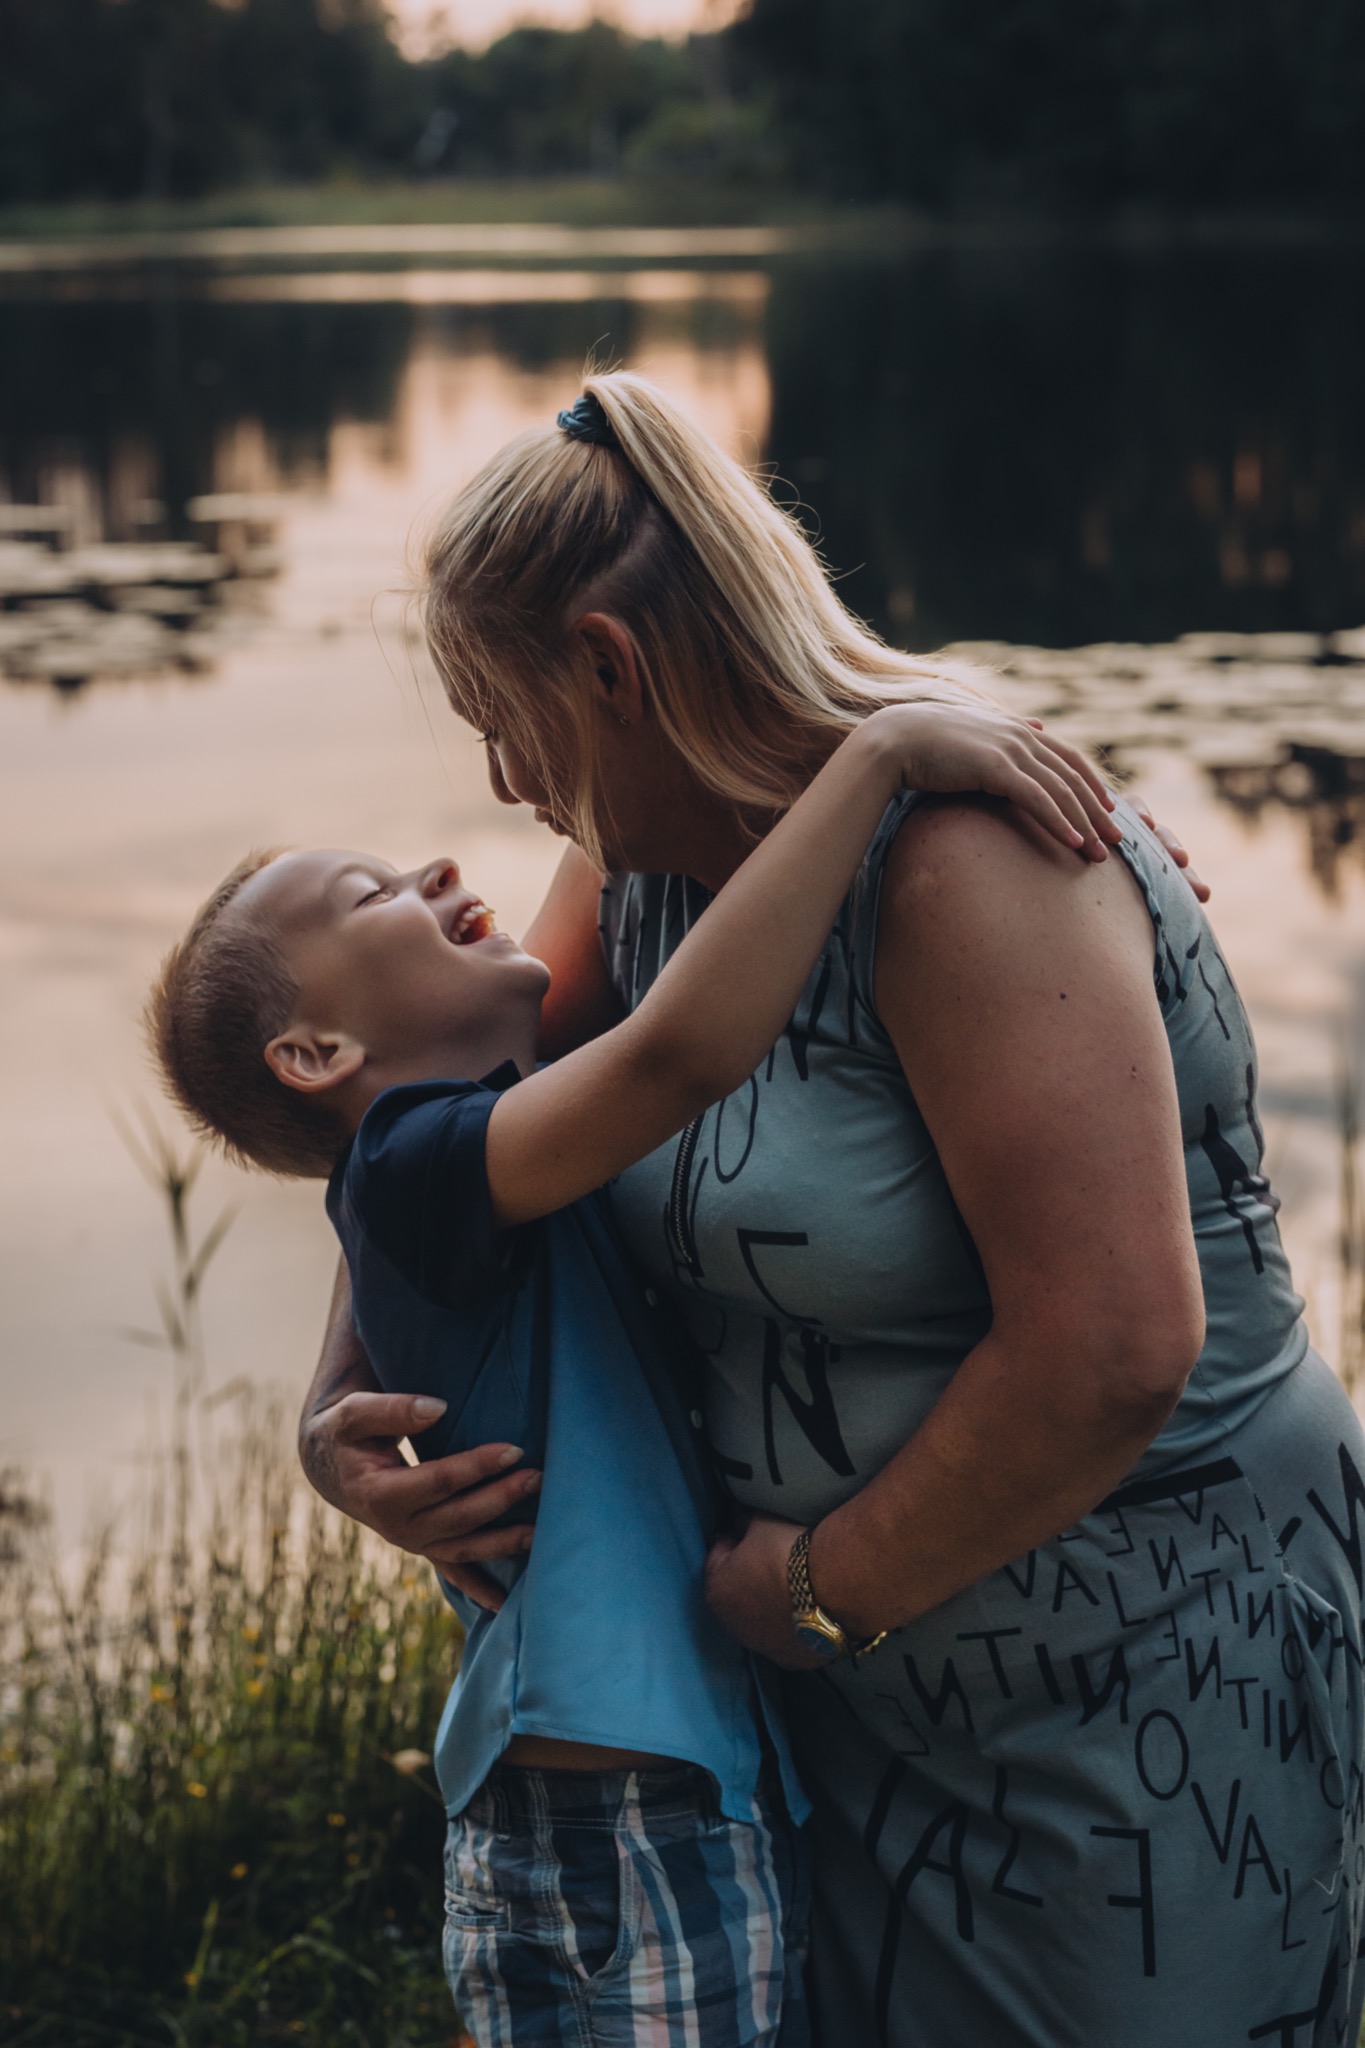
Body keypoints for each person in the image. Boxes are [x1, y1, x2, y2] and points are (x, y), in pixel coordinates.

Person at [302, 373, 1365, 2047]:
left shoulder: (966, 863)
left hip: (1131, 1696)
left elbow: (1111, 1351)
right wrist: (340, 1400)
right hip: (845, 1721)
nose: (503, 781)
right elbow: (459, 1132)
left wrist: (809, 1593)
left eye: (501, 717)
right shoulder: (641, 864)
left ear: (610, 668)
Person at [146, 697, 1113, 2048]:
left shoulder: (481, 1146)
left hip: (670, 1788)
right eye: (372, 896)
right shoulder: (413, 1168)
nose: (434, 868)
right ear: (318, 1056)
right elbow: (683, 1048)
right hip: (607, 1819)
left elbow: (630, 809)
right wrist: (879, 755)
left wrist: (1110, 889)